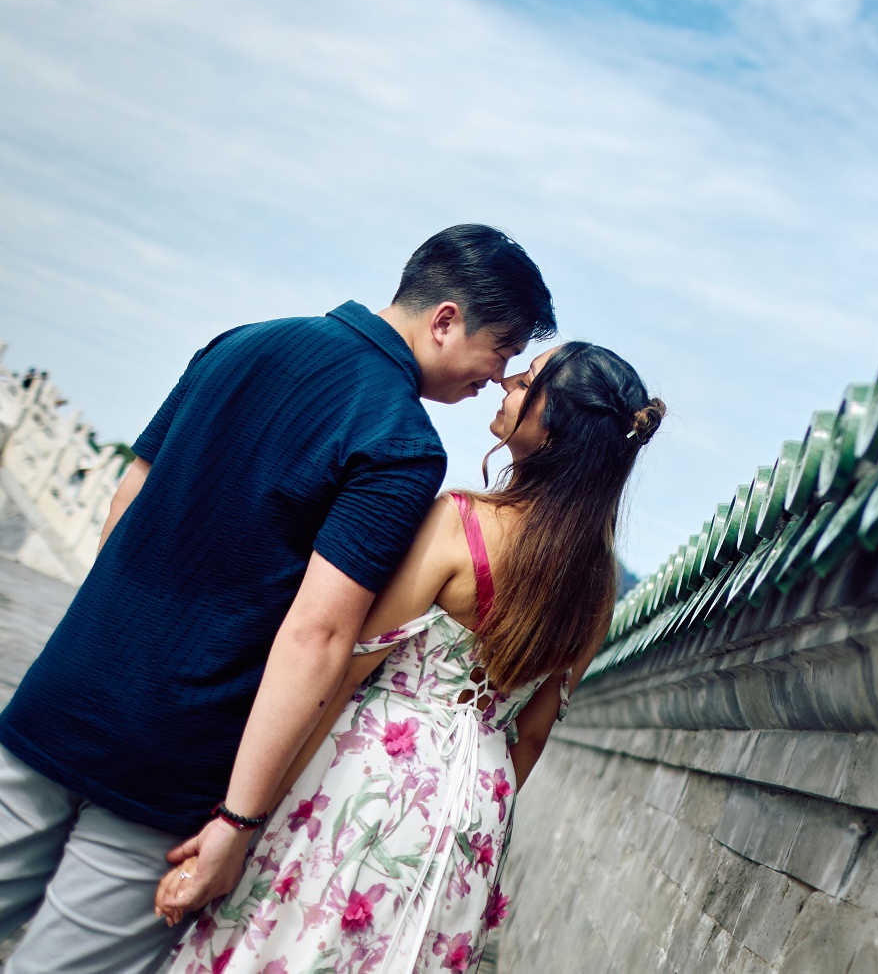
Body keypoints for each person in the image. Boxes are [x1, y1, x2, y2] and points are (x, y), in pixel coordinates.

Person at [0, 225, 555, 974]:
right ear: (446, 320)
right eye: (502, 348)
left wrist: (118, 647)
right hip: (174, 754)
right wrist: (238, 819)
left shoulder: (240, 342)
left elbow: (126, 500)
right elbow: (318, 635)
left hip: (59, 693)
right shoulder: (399, 441)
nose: (498, 376)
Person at [156, 341, 663, 974]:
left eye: (526, 379)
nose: (507, 380)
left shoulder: (460, 523)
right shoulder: (597, 585)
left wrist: (245, 819)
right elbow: (529, 737)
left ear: (554, 422)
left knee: (296, 938)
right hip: (477, 809)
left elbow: (343, 673)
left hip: (372, 777)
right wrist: (478, 814)